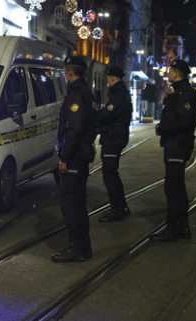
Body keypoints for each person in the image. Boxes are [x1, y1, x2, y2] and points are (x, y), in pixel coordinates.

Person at [149, 59, 196, 242]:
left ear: (177, 73)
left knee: (173, 187)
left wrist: (162, 128)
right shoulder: (178, 93)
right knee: (176, 186)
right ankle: (182, 226)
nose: (167, 73)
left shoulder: (186, 94)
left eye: (170, 71)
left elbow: (183, 122)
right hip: (173, 144)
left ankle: (173, 227)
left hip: (178, 144)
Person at [52, 56, 97, 262]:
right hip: (81, 154)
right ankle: (83, 247)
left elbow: (75, 129)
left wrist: (64, 157)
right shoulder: (84, 93)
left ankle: (77, 248)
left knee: (71, 204)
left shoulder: (76, 96)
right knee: (78, 202)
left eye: (65, 72)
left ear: (69, 73)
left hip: (75, 156)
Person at [97, 66, 133, 222]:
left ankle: (117, 208)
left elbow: (106, 115)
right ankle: (120, 206)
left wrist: (97, 116)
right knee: (111, 173)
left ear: (111, 79)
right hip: (115, 136)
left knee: (110, 174)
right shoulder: (120, 94)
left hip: (113, 138)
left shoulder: (118, 96)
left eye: (108, 80)